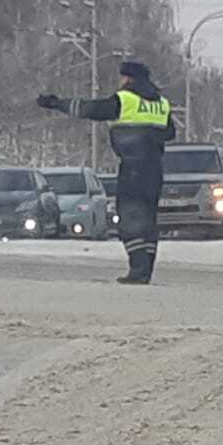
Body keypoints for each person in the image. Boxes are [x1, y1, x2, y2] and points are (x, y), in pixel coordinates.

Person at [37, 61, 175, 284]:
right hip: (155, 169)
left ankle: (137, 271)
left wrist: (57, 104)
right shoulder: (162, 104)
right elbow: (170, 133)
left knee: (129, 218)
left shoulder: (125, 99)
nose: (120, 82)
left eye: (122, 78)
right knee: (148, 220)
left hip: (132, 168)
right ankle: (145, 268)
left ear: (129, 79)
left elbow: (92, 109)